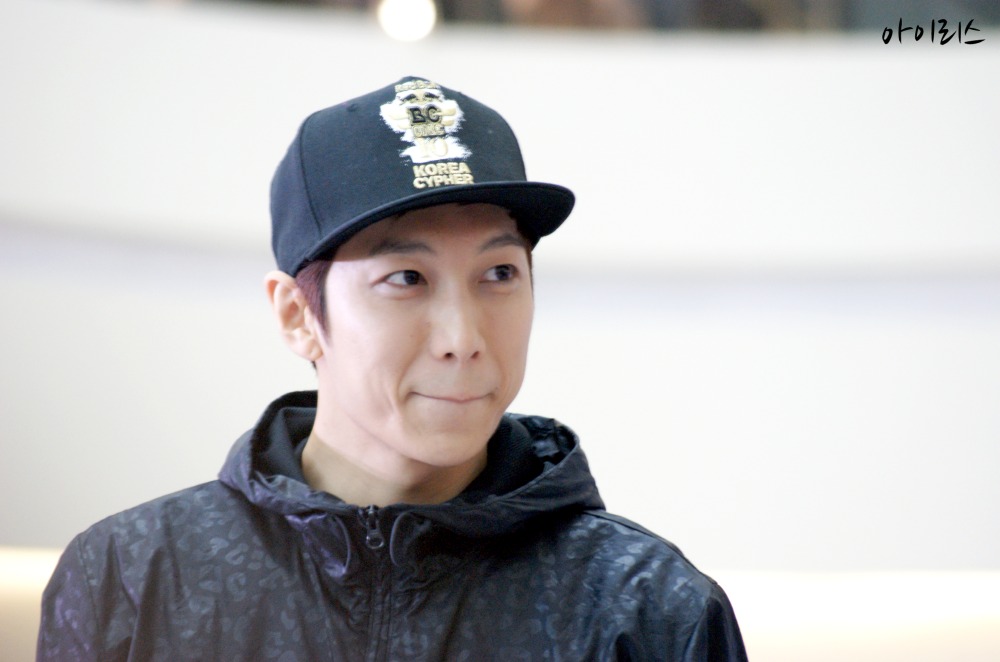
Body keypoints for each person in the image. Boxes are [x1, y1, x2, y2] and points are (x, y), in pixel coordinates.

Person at [38, 77, 748, 661]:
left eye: (499, 273)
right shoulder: (132, 579)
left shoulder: (651, 611)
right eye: (407, 278)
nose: (463, 338)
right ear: (297, 314)